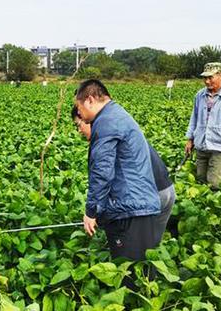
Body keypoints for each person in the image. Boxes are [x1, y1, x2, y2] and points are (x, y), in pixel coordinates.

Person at [75, 80, 161, 261]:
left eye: (79, 107)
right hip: (137, 205)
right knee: (141, 271)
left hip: (130, 209)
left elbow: (102, 171)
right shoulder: (116, 114)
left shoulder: (106, 122)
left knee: (129, 273)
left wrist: (92, 211)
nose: (80, 115)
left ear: (90, 100)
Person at [71, 105, 175, 241]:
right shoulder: (120, 128)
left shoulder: (105, 136)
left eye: (79, 125)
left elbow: (103, 177)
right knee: (150, 246)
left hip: (148, 198)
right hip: (165, 190)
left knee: (132, 252)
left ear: (88, 118)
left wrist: (93, 213)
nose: (79, 130)